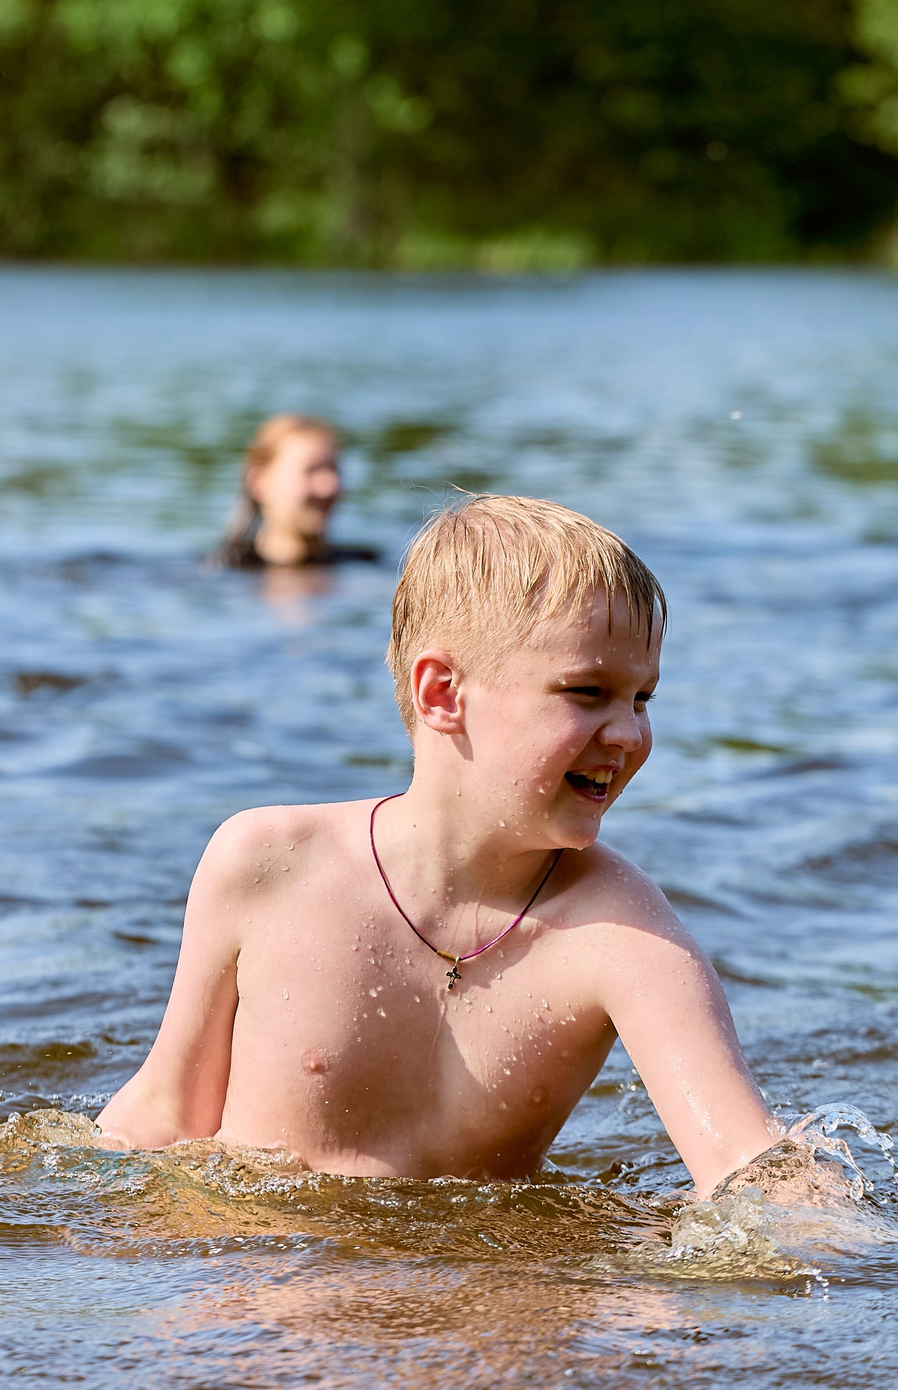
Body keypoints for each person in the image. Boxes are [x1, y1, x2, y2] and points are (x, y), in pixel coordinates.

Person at [99, 494, 781, 1196]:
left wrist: (818, 1225)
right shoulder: (270, 863)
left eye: (642, 699)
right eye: (586, 691)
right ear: (442, 693)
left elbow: (744, 1160)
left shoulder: (620, 930)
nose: (630, 734)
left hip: (479, 1270)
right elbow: (165, 1110)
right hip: (262, 1258)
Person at [211, 414, 381, 570]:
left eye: (334, 469)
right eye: (312, 470)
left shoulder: (368, 566)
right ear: (259, 482)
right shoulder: (217, 570)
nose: (331, 487)